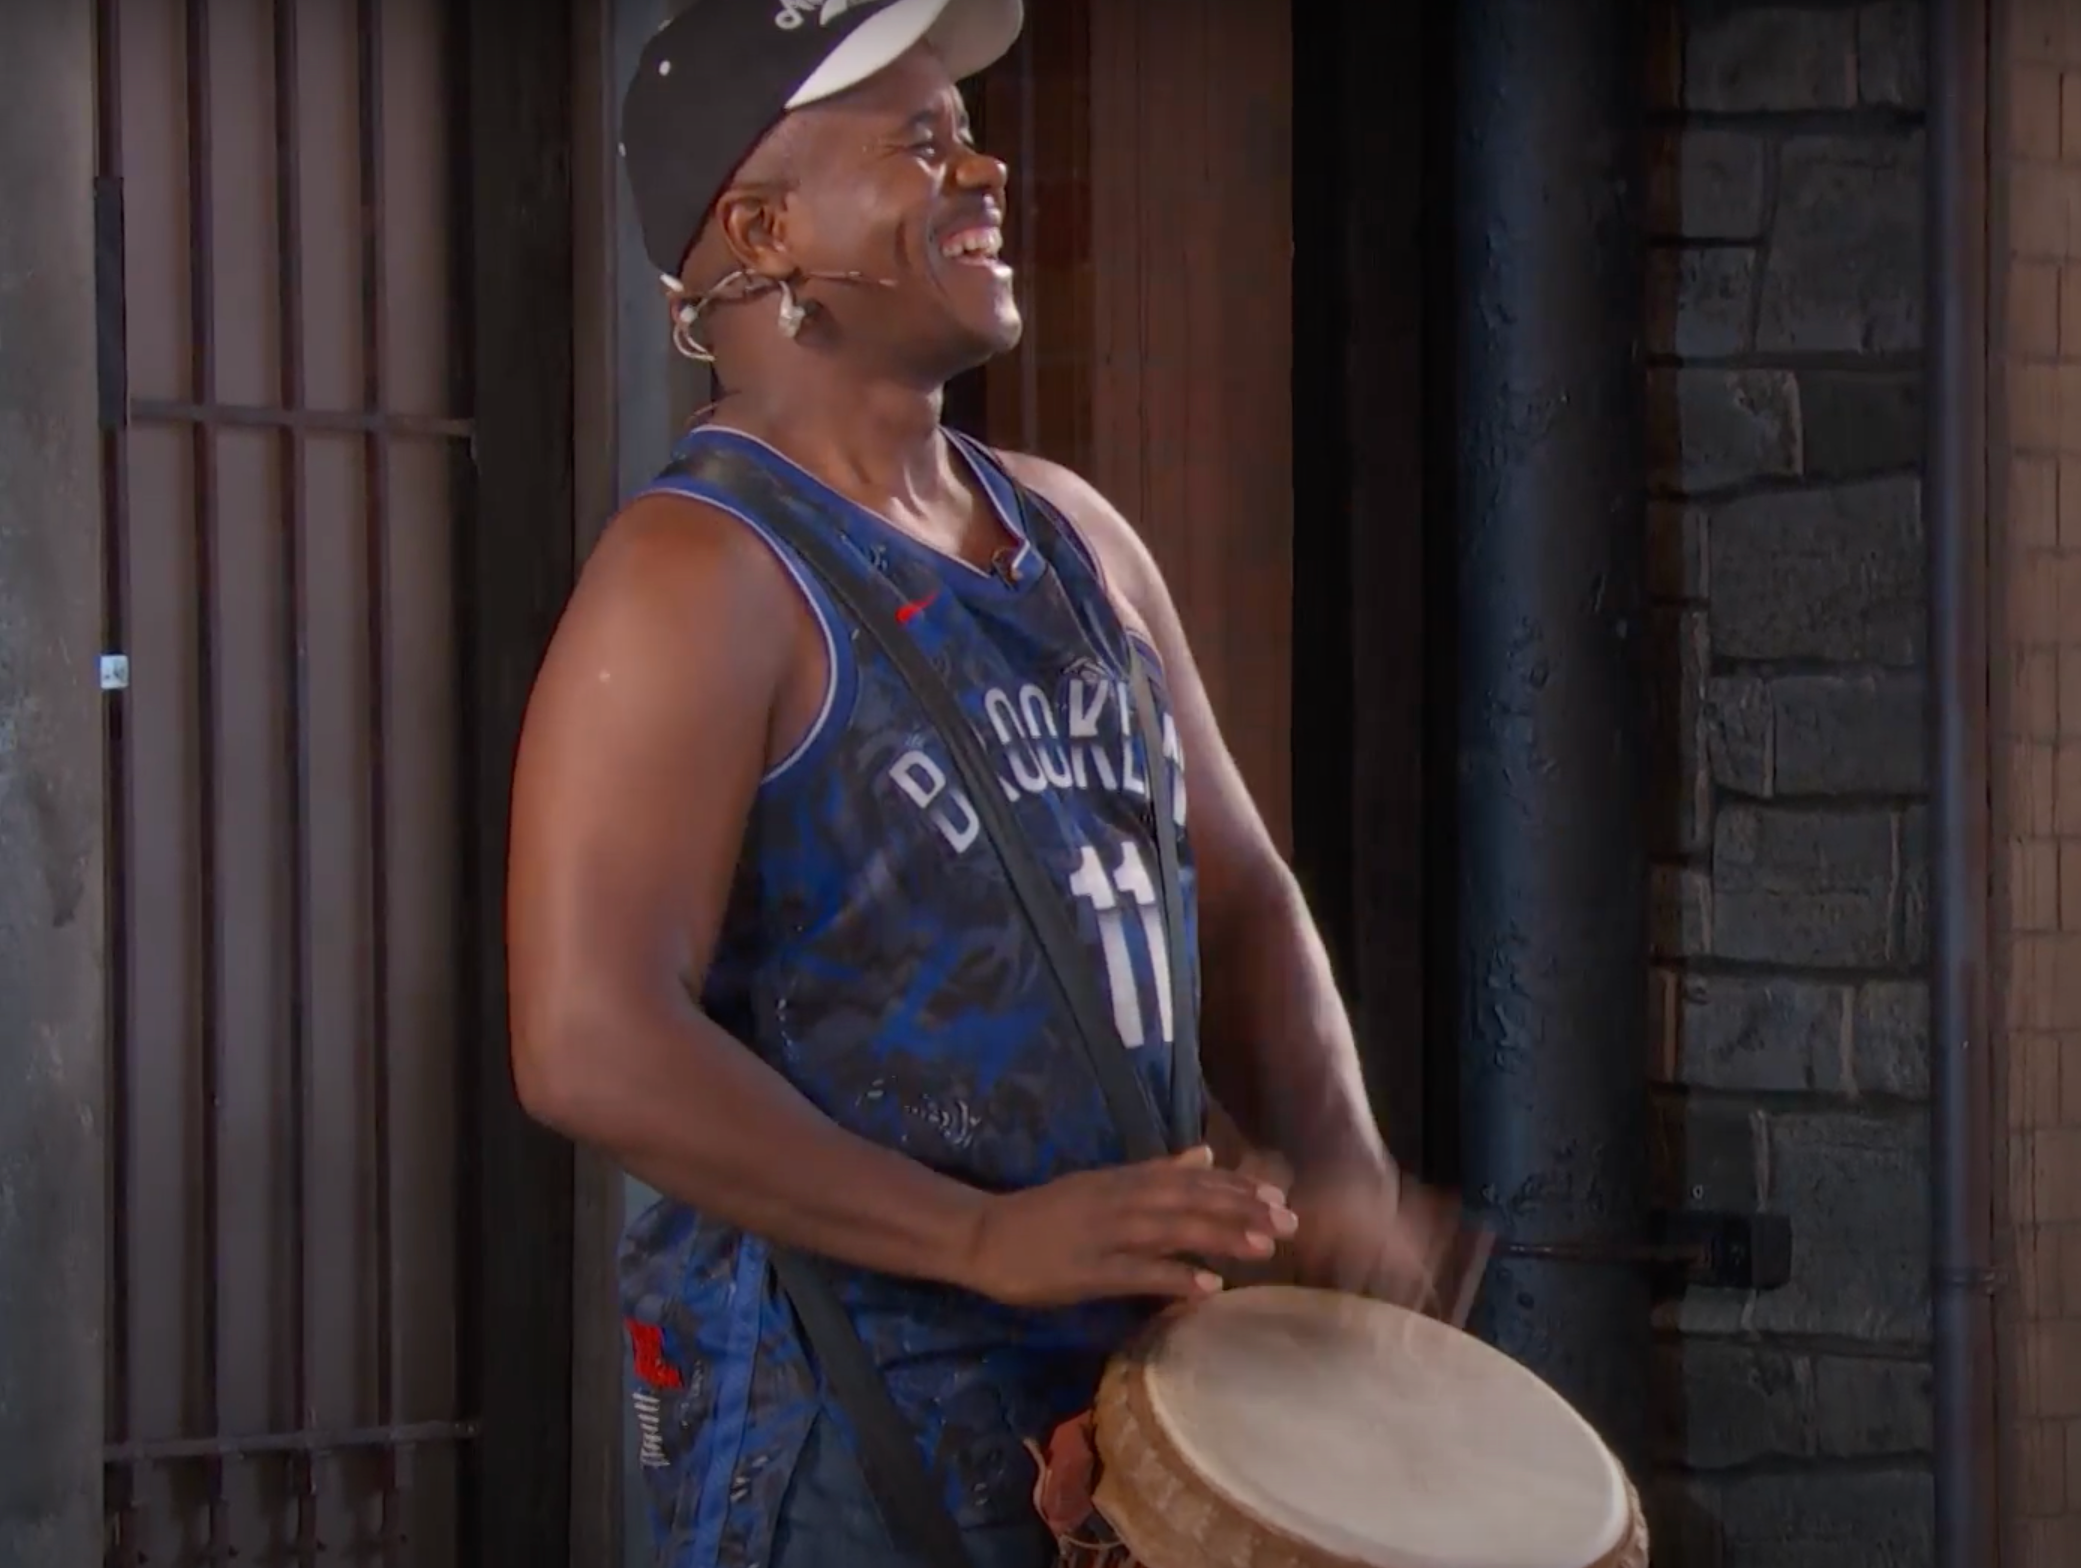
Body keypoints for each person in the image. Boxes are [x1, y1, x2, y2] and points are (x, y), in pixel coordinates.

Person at [503, 3, 1454, 1565]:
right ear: (764, 229)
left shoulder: (1077, 537)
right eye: (921, 143)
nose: (985, 168)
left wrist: (1342, 1168)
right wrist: (975, 1235)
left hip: (1114, 1400)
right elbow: (589, 1036)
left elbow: (1236, 891)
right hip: (835, 1434)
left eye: (969, 131)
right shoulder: (695, 575)